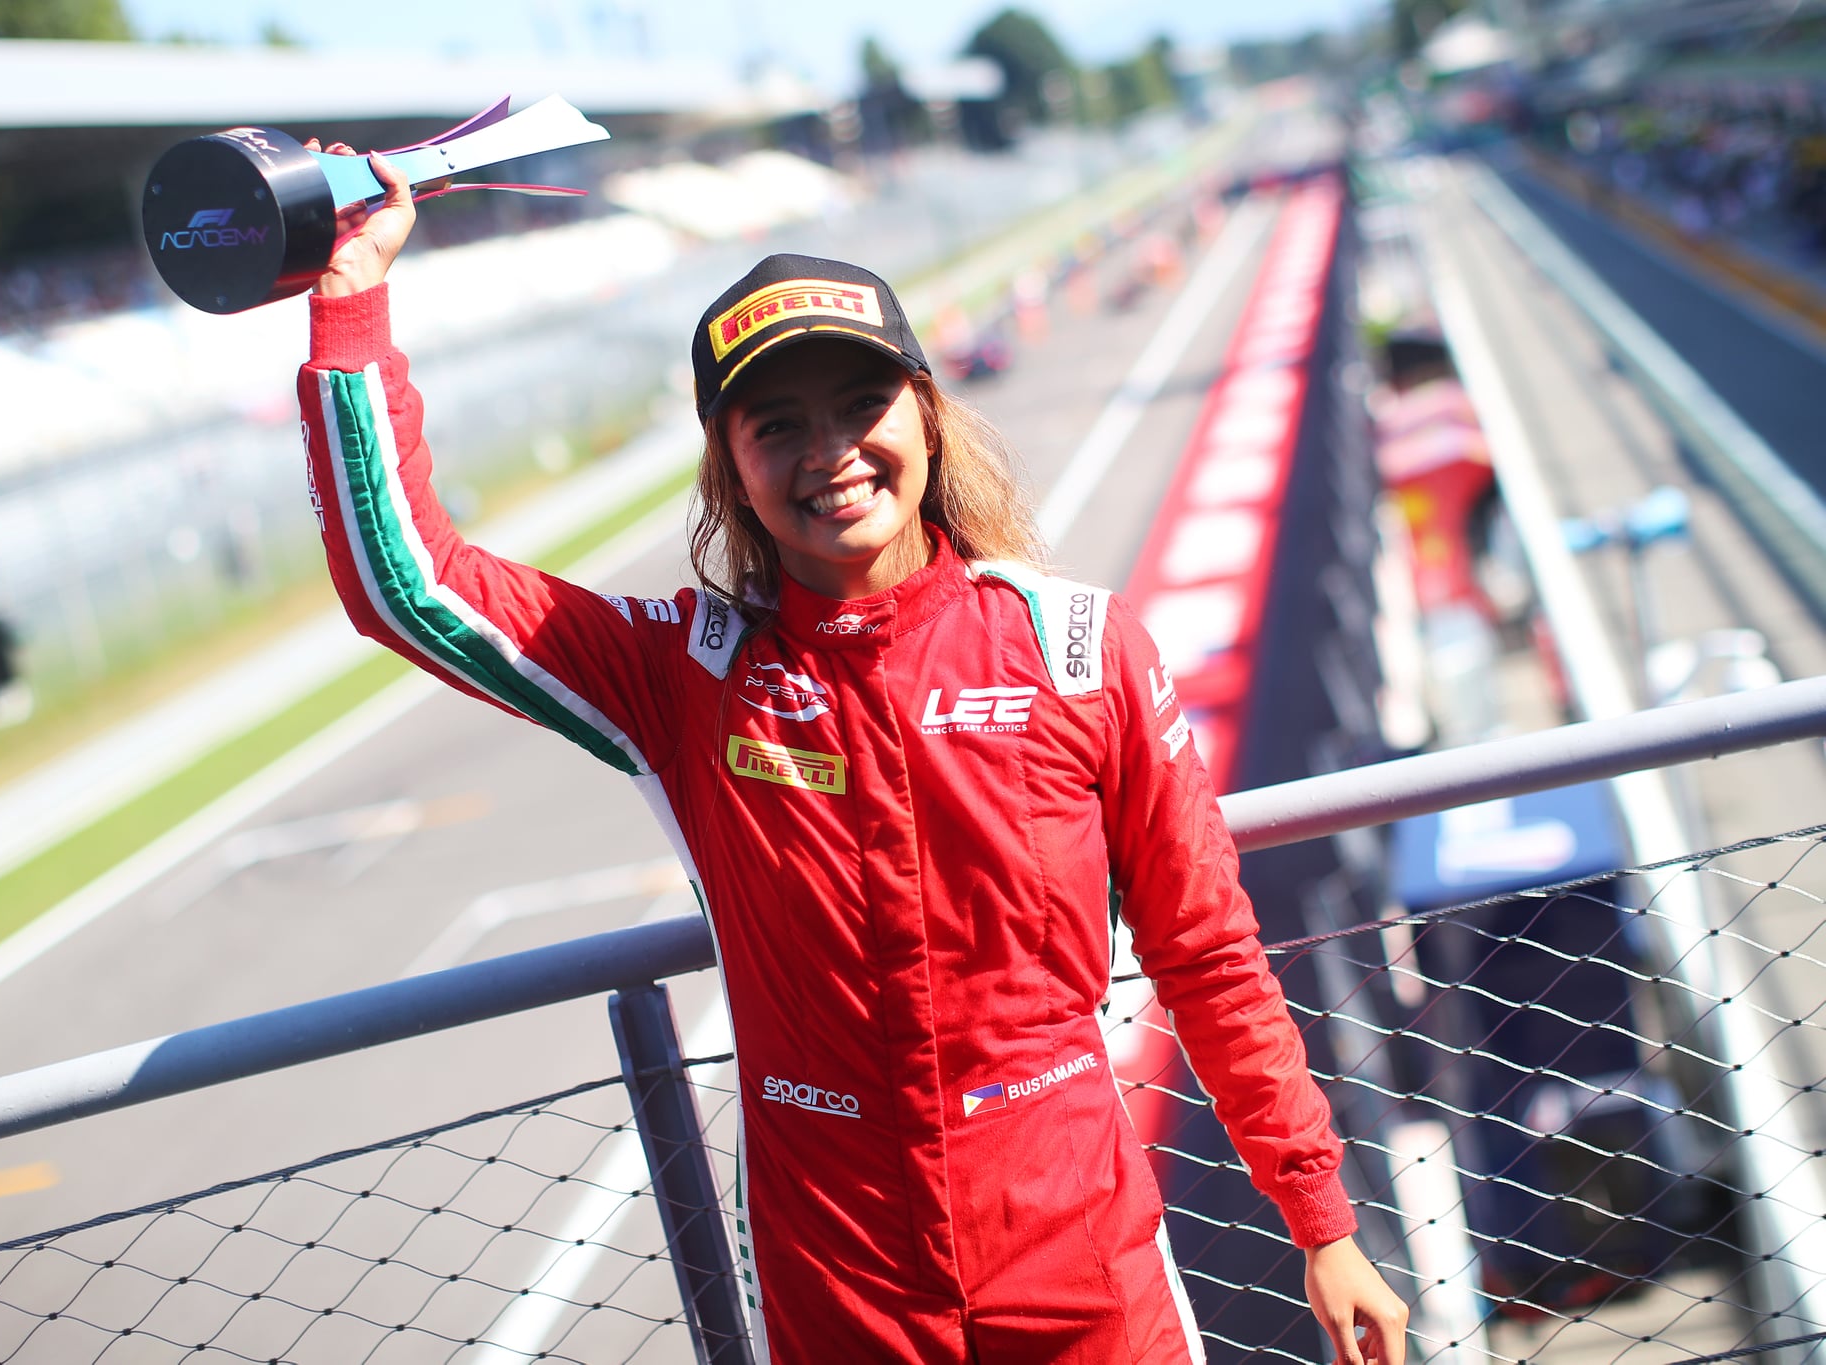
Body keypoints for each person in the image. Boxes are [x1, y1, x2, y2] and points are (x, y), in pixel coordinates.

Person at [296, 147, 1408, 1364]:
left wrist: (1319, 1220)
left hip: (1077, 1242)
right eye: (778, 425)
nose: (828, 451)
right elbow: (408, 588)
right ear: (731, 469)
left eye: (860, 406)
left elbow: (1204, 949)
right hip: (835, 1271)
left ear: (925, 418)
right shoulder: (683, 674)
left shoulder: (1075, 647)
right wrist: (351, 302)